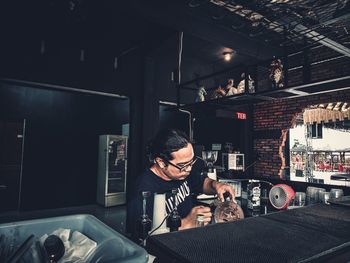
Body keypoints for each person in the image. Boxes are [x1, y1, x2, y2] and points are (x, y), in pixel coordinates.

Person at [127, 128, 235, 240]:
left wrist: (216, 185)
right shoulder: (143, 190)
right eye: (183, 165)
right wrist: (186, 223)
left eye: (191, 162)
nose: (189, 169)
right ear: (161, 162)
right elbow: (142, 238)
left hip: (187, 240)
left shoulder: (184, 172)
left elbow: (202, 183)